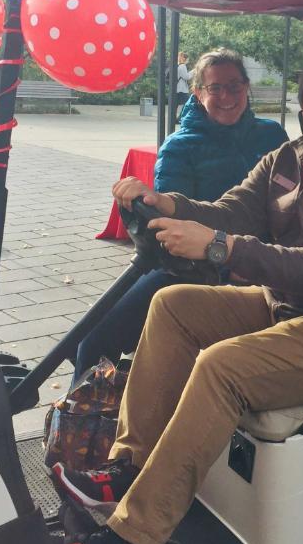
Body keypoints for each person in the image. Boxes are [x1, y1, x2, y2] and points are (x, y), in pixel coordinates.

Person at [54, 23, 303, 544]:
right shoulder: (289, 158)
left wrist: (220, 249)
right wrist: (167, 201)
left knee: (221, 366)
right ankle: (129, 468)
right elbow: (230, 211)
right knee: (174, 305)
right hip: (292, 307)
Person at [75, 49, 287, 375]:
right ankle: (85, 417)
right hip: (198, 264)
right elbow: (177, 226)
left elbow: (286, 205)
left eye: (235, 85)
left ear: (247, 87)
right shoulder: (180, 146)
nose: (227, 96)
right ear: (198, 92)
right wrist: (226, 262)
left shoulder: (272, 135)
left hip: (262, 261)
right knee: (92, 341)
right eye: (215, 88)